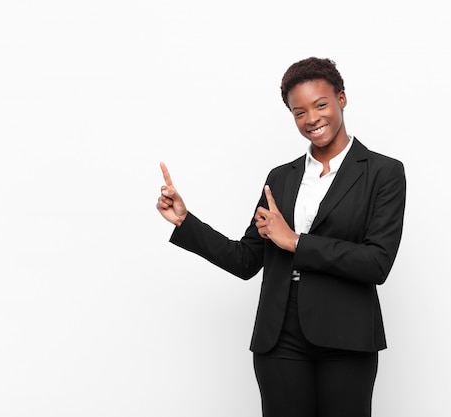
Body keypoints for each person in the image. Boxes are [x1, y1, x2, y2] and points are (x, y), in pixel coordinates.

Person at [156, 57, 406, 417]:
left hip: (346, 336)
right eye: (298, 111)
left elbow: (376, 262)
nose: (312, 119)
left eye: (321, 105)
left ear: (342, 99)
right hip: (280, 336)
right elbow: (245, 260)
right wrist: (184, 222)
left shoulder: (384, 172)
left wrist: (295, 242)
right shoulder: (281, 178)